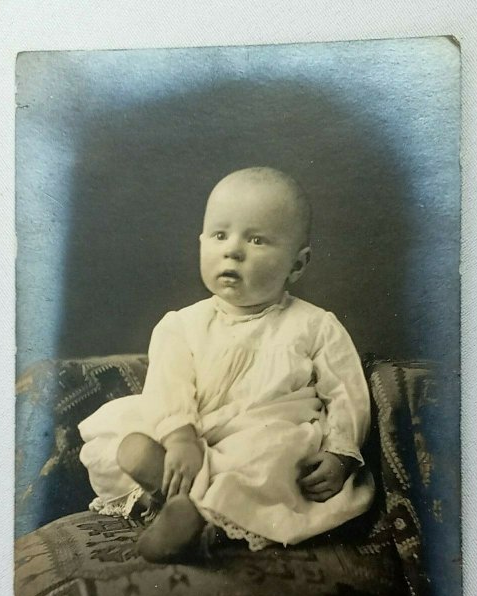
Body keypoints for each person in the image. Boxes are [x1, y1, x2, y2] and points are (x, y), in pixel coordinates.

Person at [79, 167, 375, 562]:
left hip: (263, 433)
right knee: (121, 437)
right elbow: (168, 387)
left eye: (256, 240)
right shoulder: (180, 325)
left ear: (298, 264)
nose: (233, 250)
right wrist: (180, 437)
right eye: (220, 235)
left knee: (271, 454)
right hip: (189, 436)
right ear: (201, 242)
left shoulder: (316, 325)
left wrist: (340, 454)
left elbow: (346, 392)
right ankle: (173, 497)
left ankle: (194, 517)